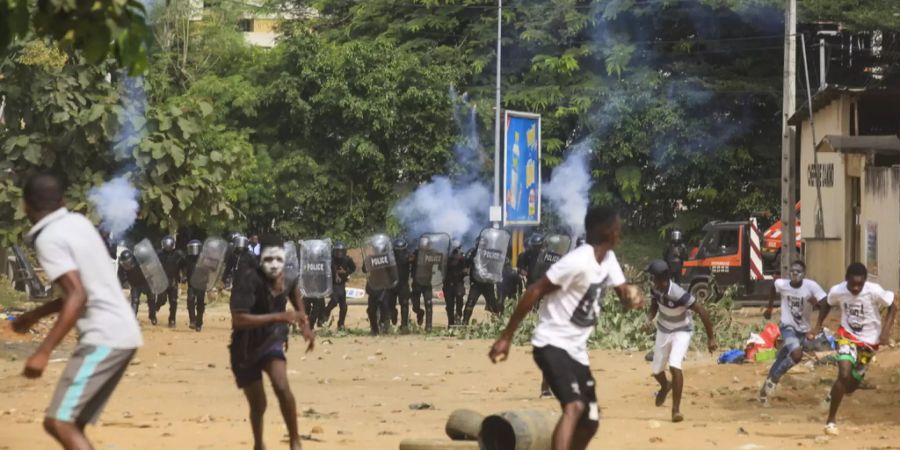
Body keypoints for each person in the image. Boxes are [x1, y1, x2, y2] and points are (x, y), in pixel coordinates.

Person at [489, 207, 645, 450]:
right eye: (616, 226)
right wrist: (506, 337)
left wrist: (632, 297)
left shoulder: (609, 259)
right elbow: (535, 291)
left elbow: (622, 290)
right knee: (574, 407)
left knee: (590, 421)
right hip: (551, 344)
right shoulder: (577, 262)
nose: (620, 230)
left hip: (576, 351)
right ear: (603, 230)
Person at [12, 173, 142, 449]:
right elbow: (83, 288)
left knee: (59, 422)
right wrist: (36, 315)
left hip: (104, 337)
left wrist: (43, 351)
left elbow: (77, 295)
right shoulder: (79, 223)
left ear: (25, 206)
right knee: (74, 424)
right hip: (122, 333)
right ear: (62, 200)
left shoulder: (48, 238)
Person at [229, 234, 314, 450]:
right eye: (268, 260)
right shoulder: (247, 280)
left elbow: (296, 298)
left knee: (282, 386)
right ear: (260, 260)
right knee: (258, 403)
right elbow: (238, 320)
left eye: (278, 259)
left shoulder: (289, 277)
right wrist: (279, 317)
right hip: (245, 347)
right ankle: (259, 444)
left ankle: (295, 441)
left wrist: (304, 324)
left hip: (272, 341)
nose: (274, 265)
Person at [808, 262, 896, 436]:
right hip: (847, 336)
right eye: (852, 284)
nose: (855, 288)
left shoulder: (874, 290)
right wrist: (817, 326)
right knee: (844, 374)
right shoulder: (838, 291)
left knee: (851, 385)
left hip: (870, 343)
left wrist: (885, 332)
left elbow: (893, 306)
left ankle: (832, 395)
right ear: (846, 279)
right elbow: (827, 303)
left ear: (864, 281)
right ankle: (831, 421)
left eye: (859, 284)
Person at [643, 260, 717, 423]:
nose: (651, 279)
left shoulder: (678, 294)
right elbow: (654, 305)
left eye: (652, 277)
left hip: (681, 331)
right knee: (657, 370)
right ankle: (665, 386)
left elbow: (701, 311)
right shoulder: (655, 288)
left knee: (675, 365)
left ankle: (675, 410)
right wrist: (649, 319)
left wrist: (711, 338)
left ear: (660, 278)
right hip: (663, 329)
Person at [758, 260, 827, 404]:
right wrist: (770, 308)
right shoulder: (783, 285)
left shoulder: (811, 287)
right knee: (796, 355)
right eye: (792, 270)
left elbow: (826, 303)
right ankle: (774, 380)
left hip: (803, 329)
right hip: (787, 326)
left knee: (782, 358)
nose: (795, 273)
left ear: (804, 274)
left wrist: (817, 322)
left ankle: (765, 390)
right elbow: (773, 287)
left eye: (798, 271)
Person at [462, 244, 499, 325]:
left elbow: (497, 265)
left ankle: (498, 322)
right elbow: (466, 262)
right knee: (470, 302)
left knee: (493, 303)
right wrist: (472, 259)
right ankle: (465, 322)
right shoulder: (472, 252)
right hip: (476, 283)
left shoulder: (491, 253)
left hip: (488, 283)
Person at [117, 249, 156, 324]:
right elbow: (120, 278)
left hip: (146, 283)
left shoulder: (140, 261)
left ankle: (152, 316)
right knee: (135, 301)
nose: (126, 266)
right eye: (125, 264)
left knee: (151, 299)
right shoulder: (121, 267)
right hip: (135, 285)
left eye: (128, 263)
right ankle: (133, 318)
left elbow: (151, 269)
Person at [323, 241, 356, 330]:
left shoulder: (347, 259)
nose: (339, 254)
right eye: (337, 251)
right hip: (331, 284)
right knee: (334, 300)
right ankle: (326, 312)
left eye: (341, 251)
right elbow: (325, 269)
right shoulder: (330, 259)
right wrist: (335, 273)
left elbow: (353, 268)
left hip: (341, 284)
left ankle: (341, 324)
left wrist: (346, 272)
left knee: (344, 307)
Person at [156, 235, 186, 328]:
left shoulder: (178, 254)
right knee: (162, 298)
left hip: (173, 280)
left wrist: (184, 275)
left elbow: (184, 266)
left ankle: (172, 319)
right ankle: (156, 307)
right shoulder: (159, 254)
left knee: (173, 302)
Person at [384, 238, 413, 333]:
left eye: (401, 251)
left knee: (404, 304)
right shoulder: (388, 258)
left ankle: (404, 325)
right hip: (392, 284)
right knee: (391, 305)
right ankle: (394, 313)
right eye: (398, 251)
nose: (400, 253)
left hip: (403, 284)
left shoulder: (409, 256)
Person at [184, 239, 209, 332]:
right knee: (190, 301)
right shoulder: (187, 259)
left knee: (200, 304)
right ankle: (192, 321)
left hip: (201, 285)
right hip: (191, 285)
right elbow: (183, 268)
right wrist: (183, 276)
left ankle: (199, 323)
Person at [443, 239, 467, 326]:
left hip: (458, 283)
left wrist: (464, 272)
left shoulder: (462, 257)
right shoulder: (445, 257)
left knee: (459, 298)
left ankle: (458, 315)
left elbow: (466, 268)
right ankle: (451, 322)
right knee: (449, 305)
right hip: (447, 283)